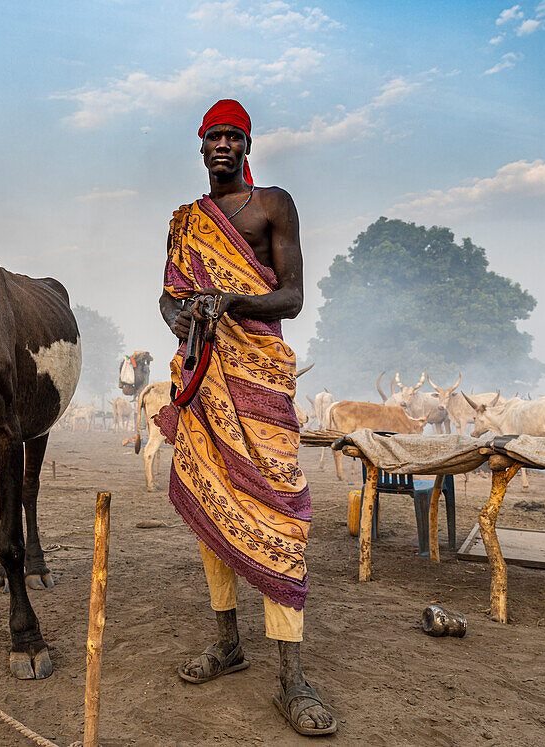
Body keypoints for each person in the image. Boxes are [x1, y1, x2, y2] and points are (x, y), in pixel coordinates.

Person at [155, 99, 336, 736]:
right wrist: (185, 321)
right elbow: (168, 298)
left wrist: (228, 301)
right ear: (201, 147)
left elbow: (291, 296)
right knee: (214, 507)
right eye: (214, 138)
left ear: (247, 144)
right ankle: (228, 641)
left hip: (258, 377)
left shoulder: (272, 205)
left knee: (278, 509)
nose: (223, 147)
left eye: (234, 137)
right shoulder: (185, 222)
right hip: (204, 381)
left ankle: (291, 675)